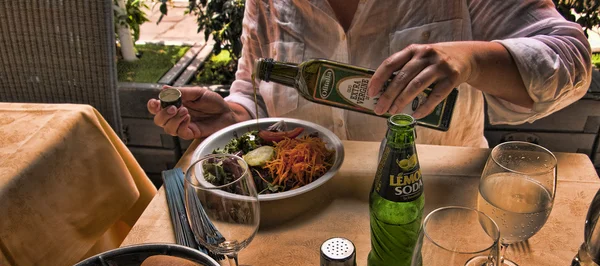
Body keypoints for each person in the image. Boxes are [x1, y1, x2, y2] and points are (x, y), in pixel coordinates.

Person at [147, 0, 592, 147]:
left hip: (440, 213)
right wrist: (233, 116)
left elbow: (570, 58)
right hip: (310, 214)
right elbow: (254, 84)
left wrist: (471, 59)